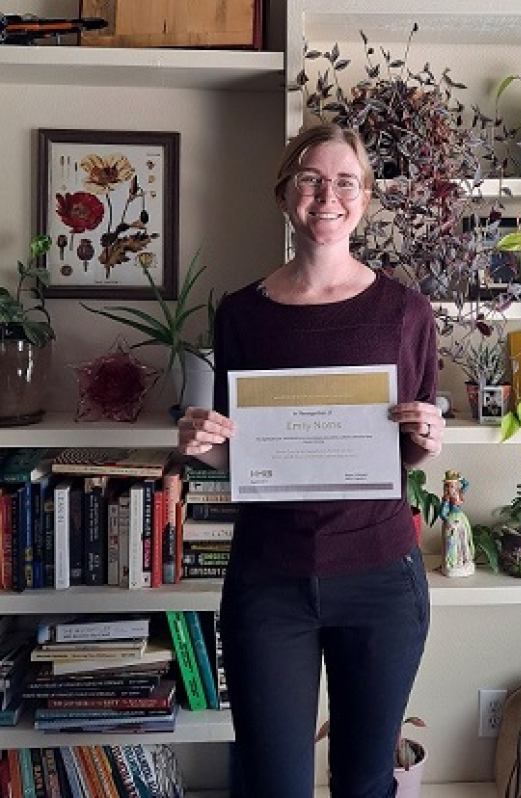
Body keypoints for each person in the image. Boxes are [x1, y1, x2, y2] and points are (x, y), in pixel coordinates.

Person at [176, 122, 445, 798]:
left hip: (382, 579)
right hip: (268, 580)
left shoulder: (407, 313)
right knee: (273, 784)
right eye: (311, 179)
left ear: (366, 198)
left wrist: (425, 438)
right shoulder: (241, 314)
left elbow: (405, 455)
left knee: (362, 782)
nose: (329, 195)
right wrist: (203, 450)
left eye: (345, 181)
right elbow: (242, 454)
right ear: (285, 193)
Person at [439, 470, 475, 577]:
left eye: (454, 484)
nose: (452, 487)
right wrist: (447, 521)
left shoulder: (459, 492)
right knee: (452, 541)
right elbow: (442, 513)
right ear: (446, 486)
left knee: (463, 538)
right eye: (450, 485)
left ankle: (464, 559)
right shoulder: (447, 497)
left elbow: (467, 484)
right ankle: (452, 562)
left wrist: (461, 478)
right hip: (452, 519)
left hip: (461, 517)